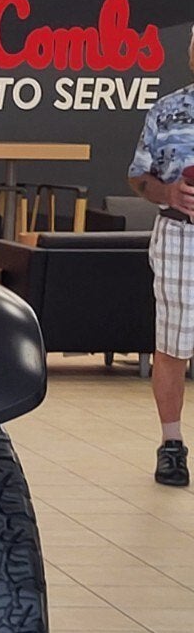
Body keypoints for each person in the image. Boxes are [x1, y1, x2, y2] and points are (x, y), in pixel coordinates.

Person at [128, 29, 194, 486]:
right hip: (179, 237)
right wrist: (167, 191)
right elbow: (138, 178)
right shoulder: (167, 109)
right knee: (172, 346)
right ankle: (171, 446)